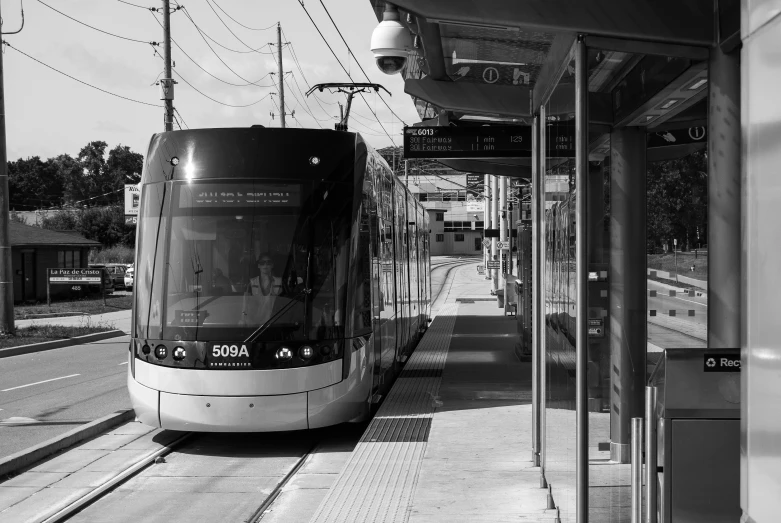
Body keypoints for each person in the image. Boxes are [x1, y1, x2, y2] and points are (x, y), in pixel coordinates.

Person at [242, 253, 283, 326]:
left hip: (274, 325)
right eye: (262, 263)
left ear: (272, 265)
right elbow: (245, 307)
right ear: (258, 265)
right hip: (255, 326)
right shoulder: (251, 284)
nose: (265, 265)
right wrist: (244, 322)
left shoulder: (280, 283)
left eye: (268, 262)